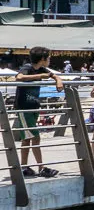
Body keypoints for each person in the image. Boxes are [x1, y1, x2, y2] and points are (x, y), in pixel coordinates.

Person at [14, 46, 64, 178]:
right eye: (48, 58)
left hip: (34, 107)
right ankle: (40, 167)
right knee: (34, 138)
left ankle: (25, 167)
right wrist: (41, 76)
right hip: (24, 108)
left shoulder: (42, 69)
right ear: (43, 59)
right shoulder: (28, 67)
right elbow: (19, 77)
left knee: (28, 139)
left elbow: (54, 75)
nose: (50, 60)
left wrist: (58, 80)